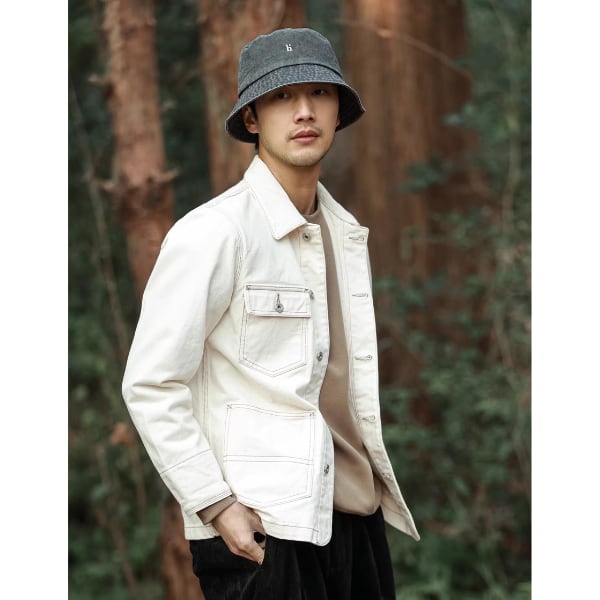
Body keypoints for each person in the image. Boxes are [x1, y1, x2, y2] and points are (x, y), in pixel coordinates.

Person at [122, 27, 419, 600]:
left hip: (354, 519)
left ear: (339, 111)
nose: (304, 111)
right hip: (263, 530)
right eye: (282, 96)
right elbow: (151, 383)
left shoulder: (344, 233)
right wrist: (216, 504)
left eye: (319, 93)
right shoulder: (214, 232)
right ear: (252, 118)